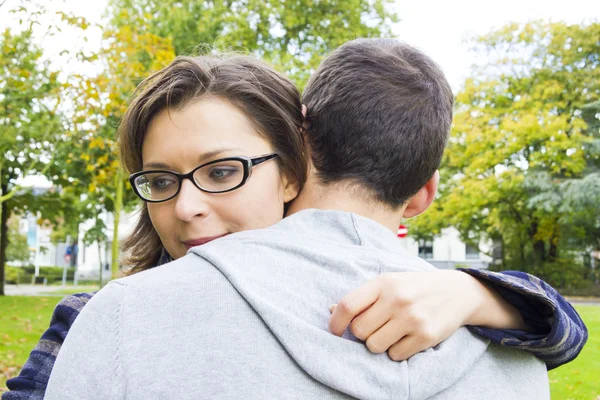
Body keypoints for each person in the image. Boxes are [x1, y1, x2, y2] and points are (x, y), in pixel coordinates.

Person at [42, 40, 583, 399]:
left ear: (294, 165)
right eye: (160, 181)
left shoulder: (467, 312)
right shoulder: (99, 317)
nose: (186, 207)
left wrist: (481, 295)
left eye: (223, 171)